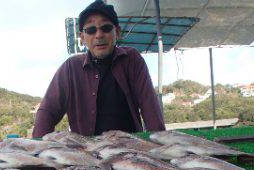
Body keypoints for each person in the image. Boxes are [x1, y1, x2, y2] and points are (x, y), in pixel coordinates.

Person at [32, 0, 166, 138]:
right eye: (91, 30)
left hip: (130, 150)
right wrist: (36, 149)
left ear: (117, 32)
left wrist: (161, 143)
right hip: (86, 153)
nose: (99, 35)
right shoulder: (70, 68)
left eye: (106, 28)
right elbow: (48, 111)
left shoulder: (132, 59)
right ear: (82, 38)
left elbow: (150, 107)